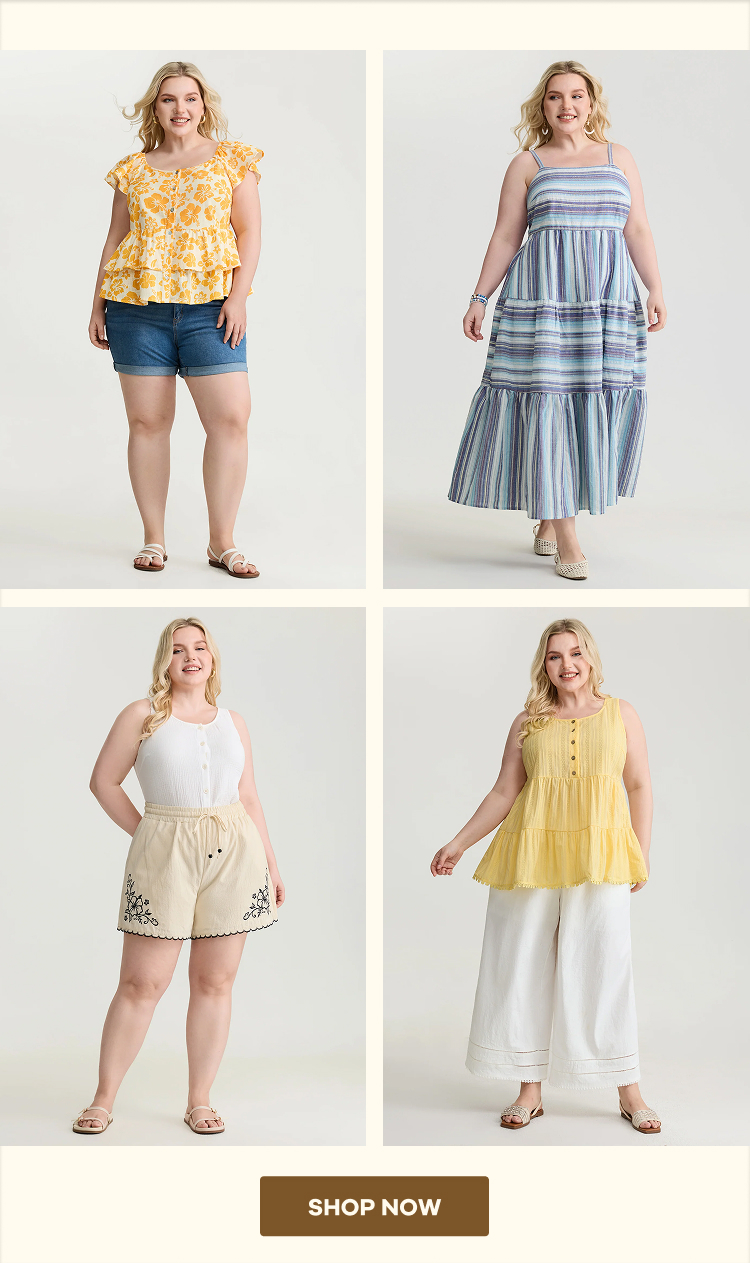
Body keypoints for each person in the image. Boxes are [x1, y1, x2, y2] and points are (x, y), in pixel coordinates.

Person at [430, 618, 661, 1134]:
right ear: (544, 665)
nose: (567, 665)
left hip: (600, 855)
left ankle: (629, 1091)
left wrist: (638, 854)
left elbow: (640, 786)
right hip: (529, 853)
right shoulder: (527, 721)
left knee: (606, 966)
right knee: (521, 967)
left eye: (575, 653)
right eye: (555, 657)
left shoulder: (622, 714)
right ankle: (528, 1092)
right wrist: (459, 843)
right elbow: (503, 793)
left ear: (591, 657)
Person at [448, 61, 667, 581]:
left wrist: (656, 287)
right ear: (542, 107)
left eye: (576, 95)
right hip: (541, 303)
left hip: (606, 306)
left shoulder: (620, 159)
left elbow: (636, 227)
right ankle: (566, 531)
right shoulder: (528, 164)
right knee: (549, 403)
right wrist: (480, 296)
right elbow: (506, 235)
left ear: (592, 103)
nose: (566, 105)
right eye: (554, 97)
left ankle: (550, 512)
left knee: (587, 400)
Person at [73, 617, 284, 1135]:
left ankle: (199, 1099)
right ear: (163, 661)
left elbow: (249, 797)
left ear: (212, 658)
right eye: (177, 649)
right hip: (164, 853)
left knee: (215, 980)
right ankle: (103, 1098)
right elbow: (104, 782)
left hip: (236, 853)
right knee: (142, 982)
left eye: (200, 647)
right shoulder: (142, 715)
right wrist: (148, 833)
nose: (191, 656)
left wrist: (272, 866)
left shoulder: (233, 721)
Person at [89, 61, 263, 578]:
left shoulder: (234, 160)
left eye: (189, 98)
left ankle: (222, 542)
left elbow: (250, 233)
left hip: (212, 308)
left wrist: (238, 297)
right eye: (168, 99)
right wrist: (97, 302)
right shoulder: (132, 169)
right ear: (155, 108)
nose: (180, 108)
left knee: (231, 419)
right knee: (148, 423)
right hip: (136, 308)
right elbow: (116, 238)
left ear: (203, 104)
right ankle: (154, 539)